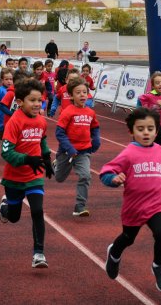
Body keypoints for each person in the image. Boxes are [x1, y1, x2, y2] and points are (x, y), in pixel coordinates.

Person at [101, 108, 161, 292]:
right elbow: (106, 171)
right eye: (140, 128)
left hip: (157, 204)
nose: (146, 132)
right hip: (134, 207)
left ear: (156, 131)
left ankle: (158, 265)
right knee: (128, 238)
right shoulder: (128, 153)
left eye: (150, 129)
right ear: (132, 131)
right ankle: (114, 254)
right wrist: (113, 179)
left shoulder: (160, 151)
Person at [0, 78, 54, 269]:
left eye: (40, 100)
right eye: (32, 100)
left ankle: (39, 253)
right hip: (14, 178)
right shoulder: (14, 122)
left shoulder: (41, 120)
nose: (37, 104)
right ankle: (5, 206)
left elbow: (42, 139)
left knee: (37, 211)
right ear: (20, 101)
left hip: (34, 176)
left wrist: (46, 159)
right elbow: (6, 152)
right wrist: (26, 159)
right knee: (13, 217)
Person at [54, 77, 100, 216]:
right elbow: (59, 133)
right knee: (59, 178)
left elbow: (95, 127)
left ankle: (80, 206)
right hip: (67, 152)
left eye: (84, 92)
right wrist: (69, 148)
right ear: (71, 96)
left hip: (83, 151)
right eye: (78, 92)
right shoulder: (68, 112)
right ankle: (56, 164)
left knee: (85, 176)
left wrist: (96, 139)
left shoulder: (90, 112)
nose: (82, 95)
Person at [0, 68, 14, 145]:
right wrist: (0, 103)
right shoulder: (0, 90)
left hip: (13, 115)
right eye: (6, 79)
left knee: (9, 135)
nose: (9, 81)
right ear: (2, 80)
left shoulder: (16, 90)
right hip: (2, 115)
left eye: (11, 79)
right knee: (2, 130)